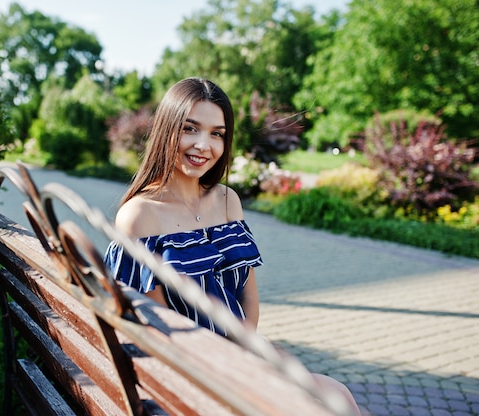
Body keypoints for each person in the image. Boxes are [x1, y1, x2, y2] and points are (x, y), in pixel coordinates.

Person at [103, 77, 362, 414]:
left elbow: (248, 296)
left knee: (338, 394)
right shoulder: (140, 215)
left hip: (241, 356)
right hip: (191, 373)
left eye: (217, 134)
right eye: (190, 129)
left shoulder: (227, 201)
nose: (203, 145)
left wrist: (247, 348)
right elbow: (159, 329)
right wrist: (233, 365)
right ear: (167, 130)